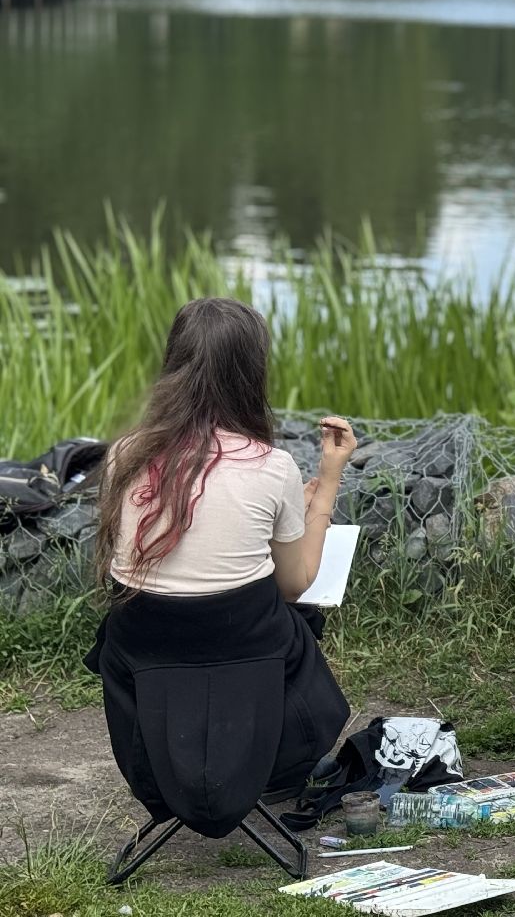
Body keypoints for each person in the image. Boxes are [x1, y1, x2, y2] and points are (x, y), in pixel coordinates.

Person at [85, 297, 356, 830]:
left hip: (147, 658)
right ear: (250, 374)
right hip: (245, 657)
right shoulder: (271, 466)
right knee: (299, 619)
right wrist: (325, 486)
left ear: (173, 366)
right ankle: (275, 769)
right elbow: (295, 583)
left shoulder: (124, 456)